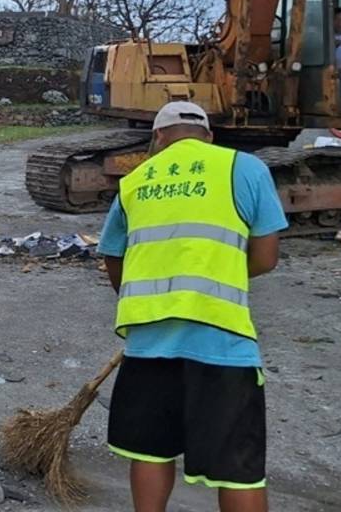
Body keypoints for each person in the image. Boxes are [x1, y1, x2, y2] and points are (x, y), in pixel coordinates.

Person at [96, 101, 287, 512]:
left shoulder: (134, 181)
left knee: (149, 453)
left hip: (148, 343)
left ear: (158, 138)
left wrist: (144, 298)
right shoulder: (245, 168)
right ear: (209, 136)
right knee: (239, 468)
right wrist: (216, 278)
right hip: (223, 344)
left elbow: (113, 256)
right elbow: (267, 257)